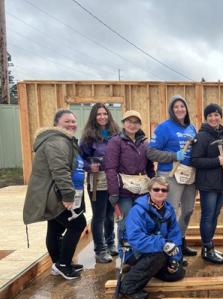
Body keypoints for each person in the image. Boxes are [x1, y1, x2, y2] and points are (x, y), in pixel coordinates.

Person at [23, 109, 87, 280]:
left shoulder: (64, 140)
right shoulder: (57, 141)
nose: (72, 124)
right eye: (67, 121)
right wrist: (67, 195)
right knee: (77, 224)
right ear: (56, 124)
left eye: (74, 121)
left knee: (55, 227)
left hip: (62, 191)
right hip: (57, 193)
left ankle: (58, 263)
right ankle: (63, 264)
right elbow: (59, 170)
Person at [119, 176, 185, 299]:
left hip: (158, 247)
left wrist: (174, 259)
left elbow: (174, 236)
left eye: (164, 190)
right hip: (133, 251)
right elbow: (136, 239)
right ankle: (128, 286)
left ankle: (148, 269)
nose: (160, 192)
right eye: (156, 189)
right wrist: (164, 245)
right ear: (149, 191)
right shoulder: (137, 210)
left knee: (177, 273)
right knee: (158, 256)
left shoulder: (169, 209)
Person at [147, 95, 197, 257]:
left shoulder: (191, 128)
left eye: (182, 106)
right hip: (171, 174)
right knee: (171, 212)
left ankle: (180, 240)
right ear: (171, 109)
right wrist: (173, 156)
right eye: (176, 107)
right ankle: (169, 246)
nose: (179, 109)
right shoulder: (164, 128)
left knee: (188, 210)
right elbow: (151, 152)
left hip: (189, 174)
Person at [104, 110, 154, 249]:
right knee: (125, 223)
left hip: (142, 190)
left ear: (140, 125)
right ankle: (125, 255)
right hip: (124, 191)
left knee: (141, 221)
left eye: (136, 122)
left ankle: (139, 254)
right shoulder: (116, 141)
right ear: (123, 123)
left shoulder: (144, 143)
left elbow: (149, 167)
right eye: (129, 121)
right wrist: (113, 192)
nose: (132, 125)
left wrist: (152, 186)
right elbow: (110, 168)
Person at [79, 103, 120, 263]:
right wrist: (89, 166)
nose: (102, 117)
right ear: (94, 117)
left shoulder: (113, 133)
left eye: (104, 114)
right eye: (98, 114)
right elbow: (78, 159)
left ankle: (110, 244)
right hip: (97, 181)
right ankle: (100, 249)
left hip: (112, 178)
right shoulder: (88, 137)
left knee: (110, 215)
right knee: (99, 216)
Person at [191, 103, 223, 264]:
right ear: (206, 119)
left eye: (216, 115)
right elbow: (195, 160)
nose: (214, 118)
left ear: (221, 116)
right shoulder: (202, 136)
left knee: (215, 215)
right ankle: (207, 248)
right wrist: (216, 161)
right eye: (210, 116)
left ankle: (210, 245)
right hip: (208, 184)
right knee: (208, 216)